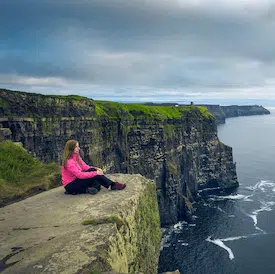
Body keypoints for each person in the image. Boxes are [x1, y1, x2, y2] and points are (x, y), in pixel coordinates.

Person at [61, 140, 126, 195]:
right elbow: (80, 175)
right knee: (95, 176)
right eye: (76, 147)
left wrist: (96, 169)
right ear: (71, 149)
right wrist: (95, 173)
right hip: (71, 185)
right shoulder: (69, 162)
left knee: (92, 170)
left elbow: (85, 167)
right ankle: (112, 185)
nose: (79, 148)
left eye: (78, 146)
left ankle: (90, 189)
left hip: (77, 181)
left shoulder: (76, 157)